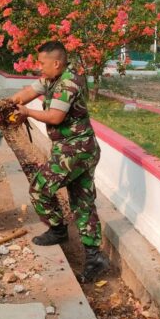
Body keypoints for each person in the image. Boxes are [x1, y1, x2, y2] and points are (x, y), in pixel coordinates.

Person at [10, 41, 110, 283]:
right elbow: (29, 92)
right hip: (77, 149)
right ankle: (94, 256)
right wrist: (13, 102)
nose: (39, 68)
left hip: (76, 150)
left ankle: (58, 230)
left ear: (56, 63)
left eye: (42, 63)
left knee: (40, 188)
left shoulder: (68, 83)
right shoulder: (51, 78)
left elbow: (55, 117)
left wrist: (27, 113)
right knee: (82, 203)